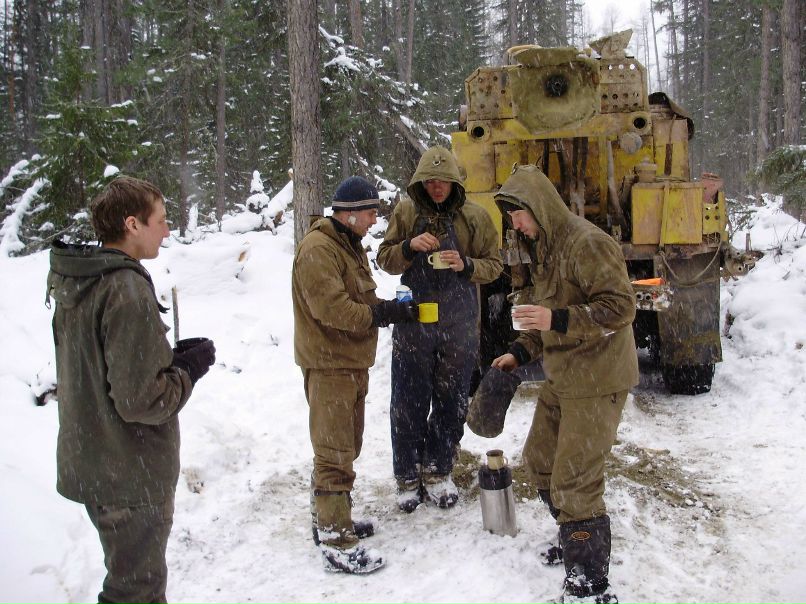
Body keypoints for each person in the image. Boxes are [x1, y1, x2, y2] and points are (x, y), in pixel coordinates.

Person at [46, 176, 217, 604]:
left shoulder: (81, 279)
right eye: (160, 220)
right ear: (132, 224)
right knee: (135, 593)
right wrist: (187, 370)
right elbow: (144, 401)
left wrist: (167, 359)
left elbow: (108, 368)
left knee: (127, 584)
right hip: (128, 471)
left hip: (98, 459)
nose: (167, 230)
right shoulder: (123, 288)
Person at [491, 164, 638, 602]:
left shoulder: (587, 243)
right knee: (540, 463)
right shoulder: (544, 247)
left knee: (575, 481)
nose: (515, 225)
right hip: (565, 374)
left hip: (598, 378)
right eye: (512, 217)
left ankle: (589, 583)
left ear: (539, 207)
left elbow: (621, 308)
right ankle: (575, 536)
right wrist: (518, 352)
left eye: (518, 215)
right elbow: (546, 317)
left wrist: (556, 318)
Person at [292, 175, 418, 574]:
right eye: (370, 213)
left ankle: (330, 518)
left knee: (345, 445)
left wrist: (391, 309)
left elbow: (358, 299)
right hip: (330, 365)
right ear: (348, 214)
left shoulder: (347, 245)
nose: (374, 220)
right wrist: (382, 315)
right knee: (334, 452)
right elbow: (333, 309)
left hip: (348, 362)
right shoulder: (318, 250)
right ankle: (335, 541)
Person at [377, 146, 502, 512]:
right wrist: (409, 246)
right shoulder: (405, 212)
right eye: (430, 181)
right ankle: (406, 475)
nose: (436, 187)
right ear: (419, 182)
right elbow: (385, 259)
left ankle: (438, 469)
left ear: (454, 183)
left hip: (459, 324)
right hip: (414, 322)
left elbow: (494, 266)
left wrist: (465, 265)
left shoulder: (475, 217)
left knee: (451, 401)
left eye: (443, 181)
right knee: (407, 401)